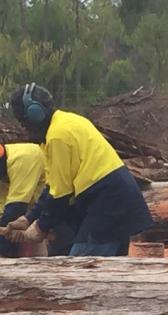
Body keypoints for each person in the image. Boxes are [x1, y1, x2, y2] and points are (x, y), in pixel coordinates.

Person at [6, 83, 153, 256]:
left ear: (35, 115)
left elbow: (60, 194)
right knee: (109, 275)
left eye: (23, 121)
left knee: (80, 269)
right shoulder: (64, 123)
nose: (23, 127)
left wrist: (41, 226)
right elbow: (53, 187)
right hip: (114, 197)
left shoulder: (57, 136)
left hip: (108, 201)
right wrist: (28, 218)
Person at [0, 143, 45, 257]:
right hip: (35, 216)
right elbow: (3, 211)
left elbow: (16, 207)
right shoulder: (4, 174)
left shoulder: (24, 157)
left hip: (63, 208)